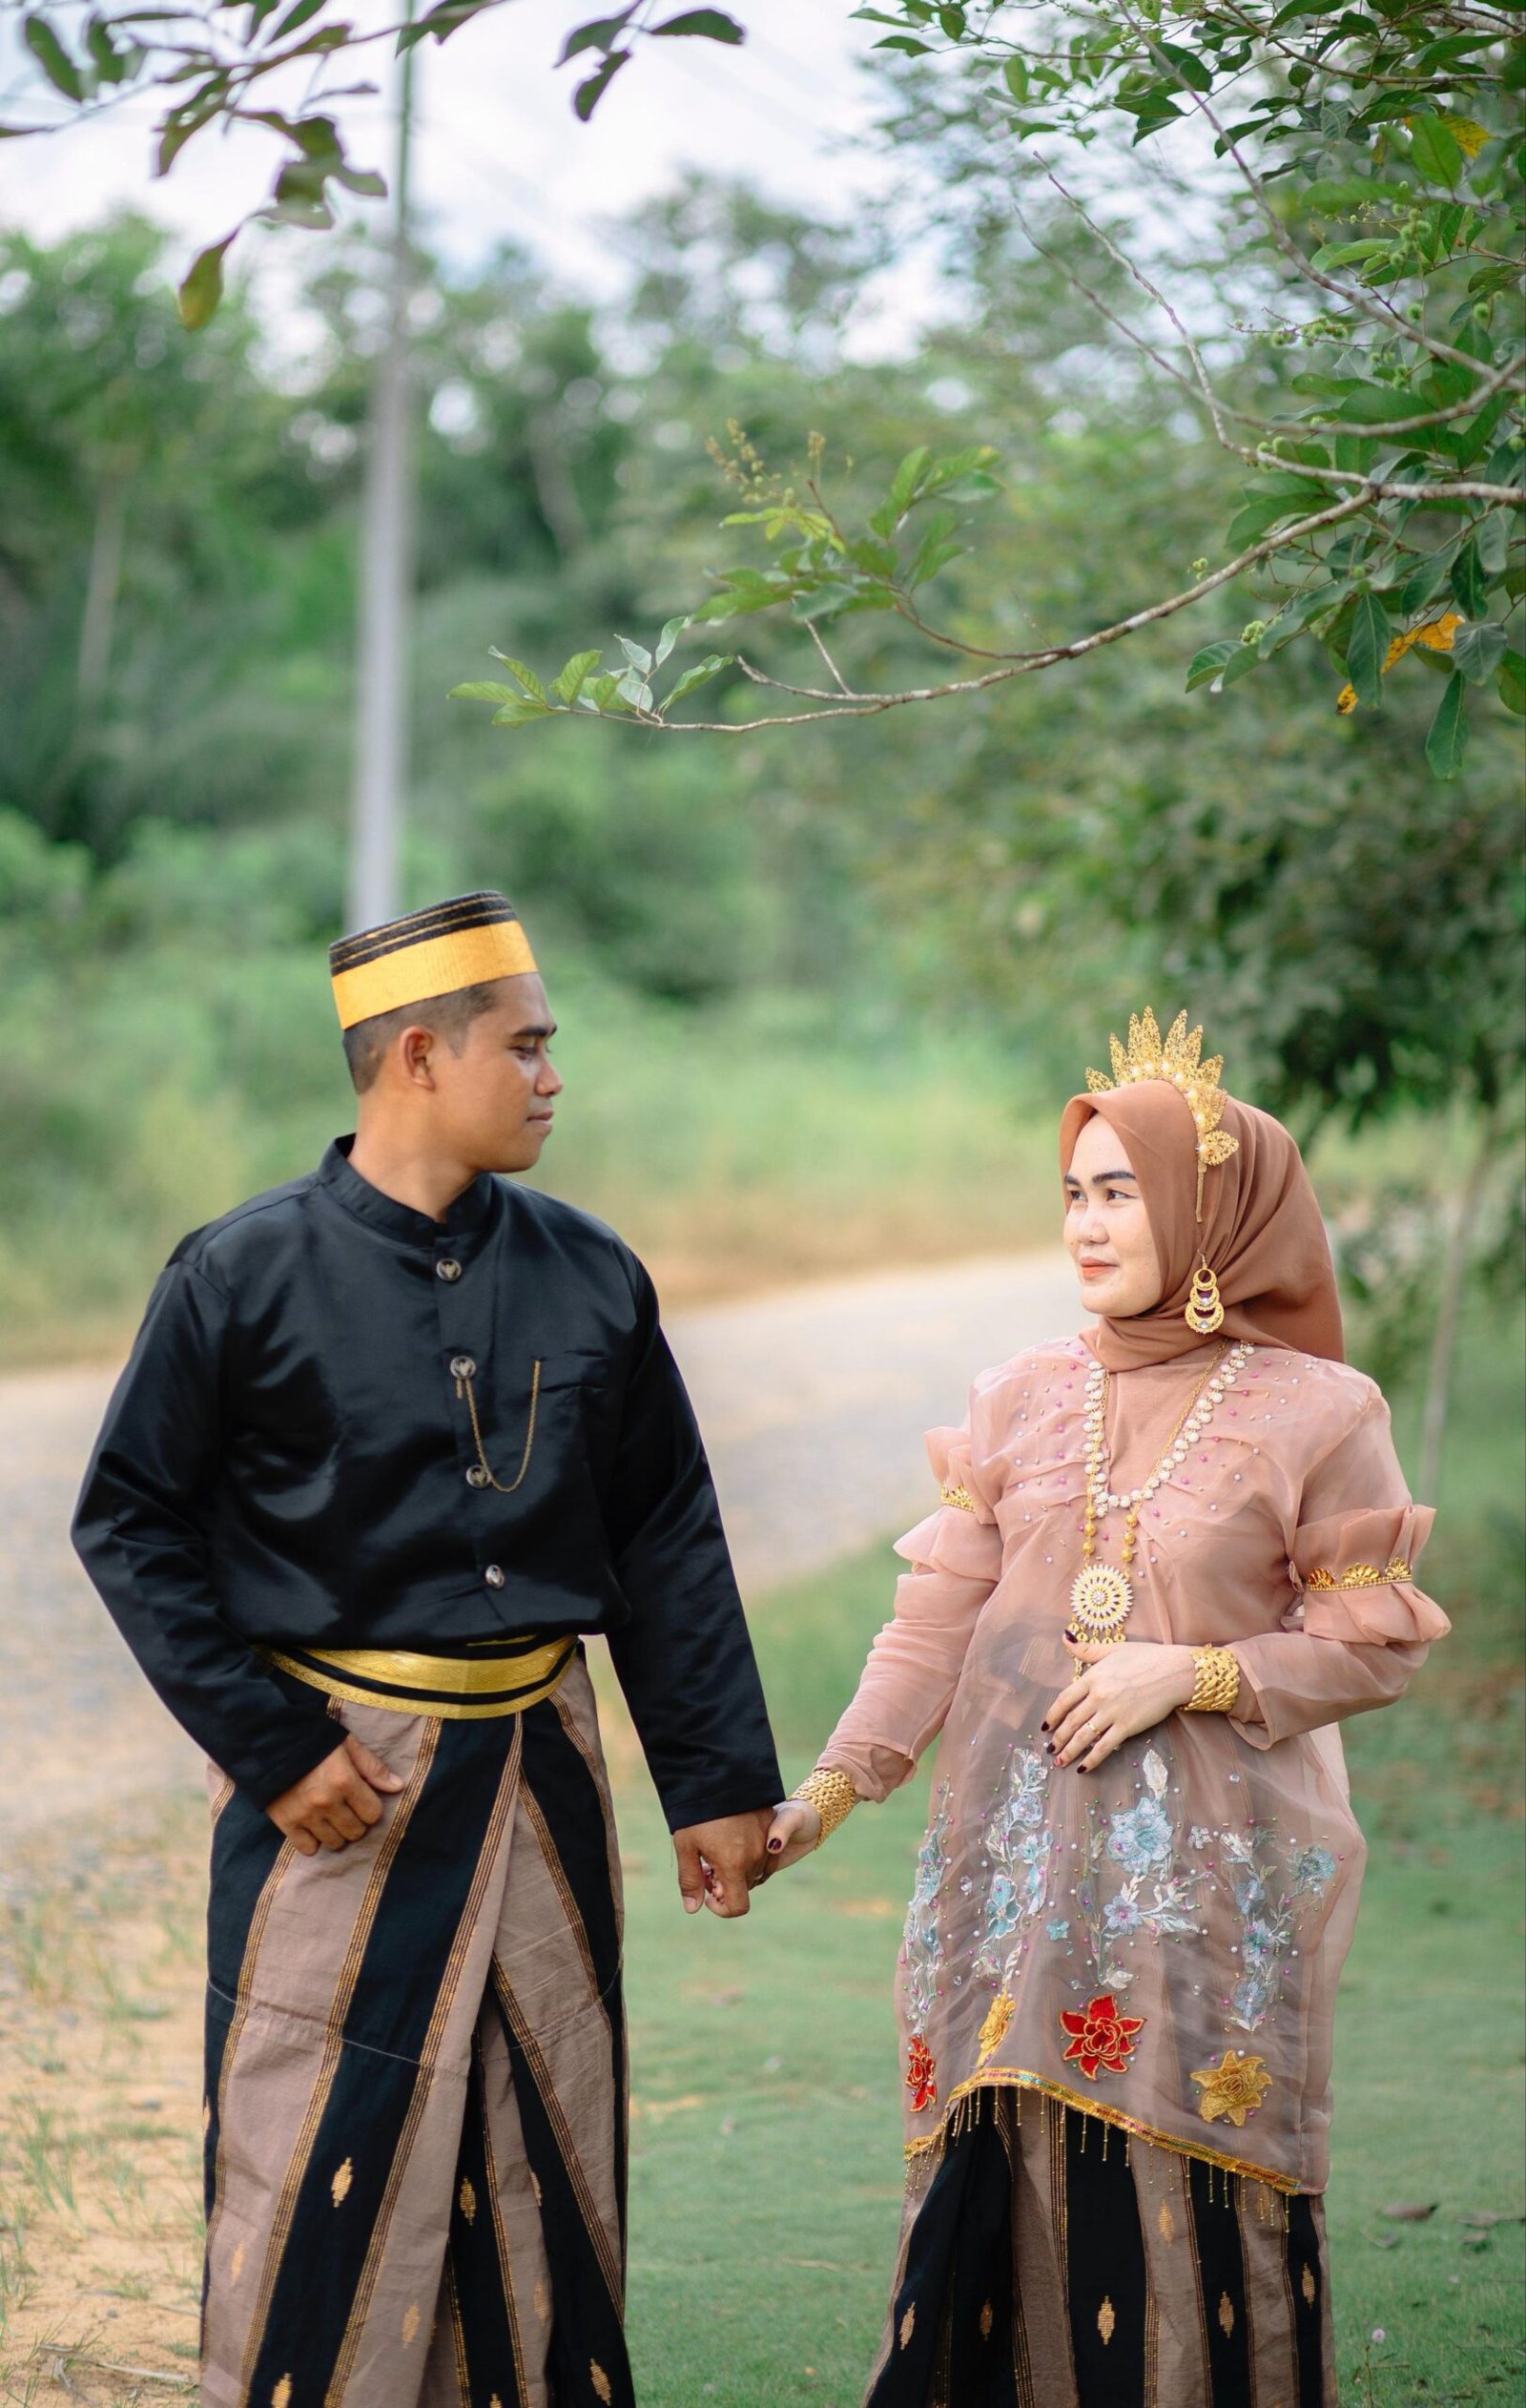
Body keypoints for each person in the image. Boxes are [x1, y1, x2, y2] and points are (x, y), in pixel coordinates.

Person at [72, 890, 782, 2408]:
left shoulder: (594, 1271)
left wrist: (716, 1780)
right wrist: (274, 1750)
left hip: (541, 1774)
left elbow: (665, 1532)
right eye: (524, 1047)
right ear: (416, 1057)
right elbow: (130, 1523)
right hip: (339, 1792)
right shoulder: (239, 1274)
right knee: (311, 2154)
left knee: (543, 2145)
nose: (552, 1077)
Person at [768, 1008, 1449, 2408]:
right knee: (996, 2179)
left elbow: (1370, 1644)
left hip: (1200, 1893)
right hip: (1009, 1880)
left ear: (1208, 1208)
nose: (1085, 1224)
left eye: (1121, 1192)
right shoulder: (1018, 1395)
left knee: (1183, 2196)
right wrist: (825, 1795)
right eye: (1073, 1193)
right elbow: (934, 1625)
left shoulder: (1320, 1412)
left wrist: (1187, 1672)